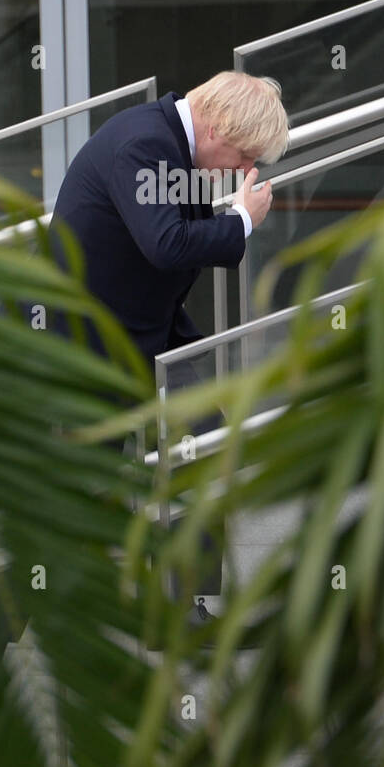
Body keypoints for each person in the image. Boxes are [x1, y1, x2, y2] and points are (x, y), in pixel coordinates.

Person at [47, 71, 288, 619]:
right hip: (95, 344)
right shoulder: (145, 145)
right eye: (247, 156)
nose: (245, 172)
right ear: (219, 127)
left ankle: (188, 611)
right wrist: (241, 223)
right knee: (89, 489)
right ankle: (20, 628)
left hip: (149, 331)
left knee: (201, 446)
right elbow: (167, 243)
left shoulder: (174, 146)